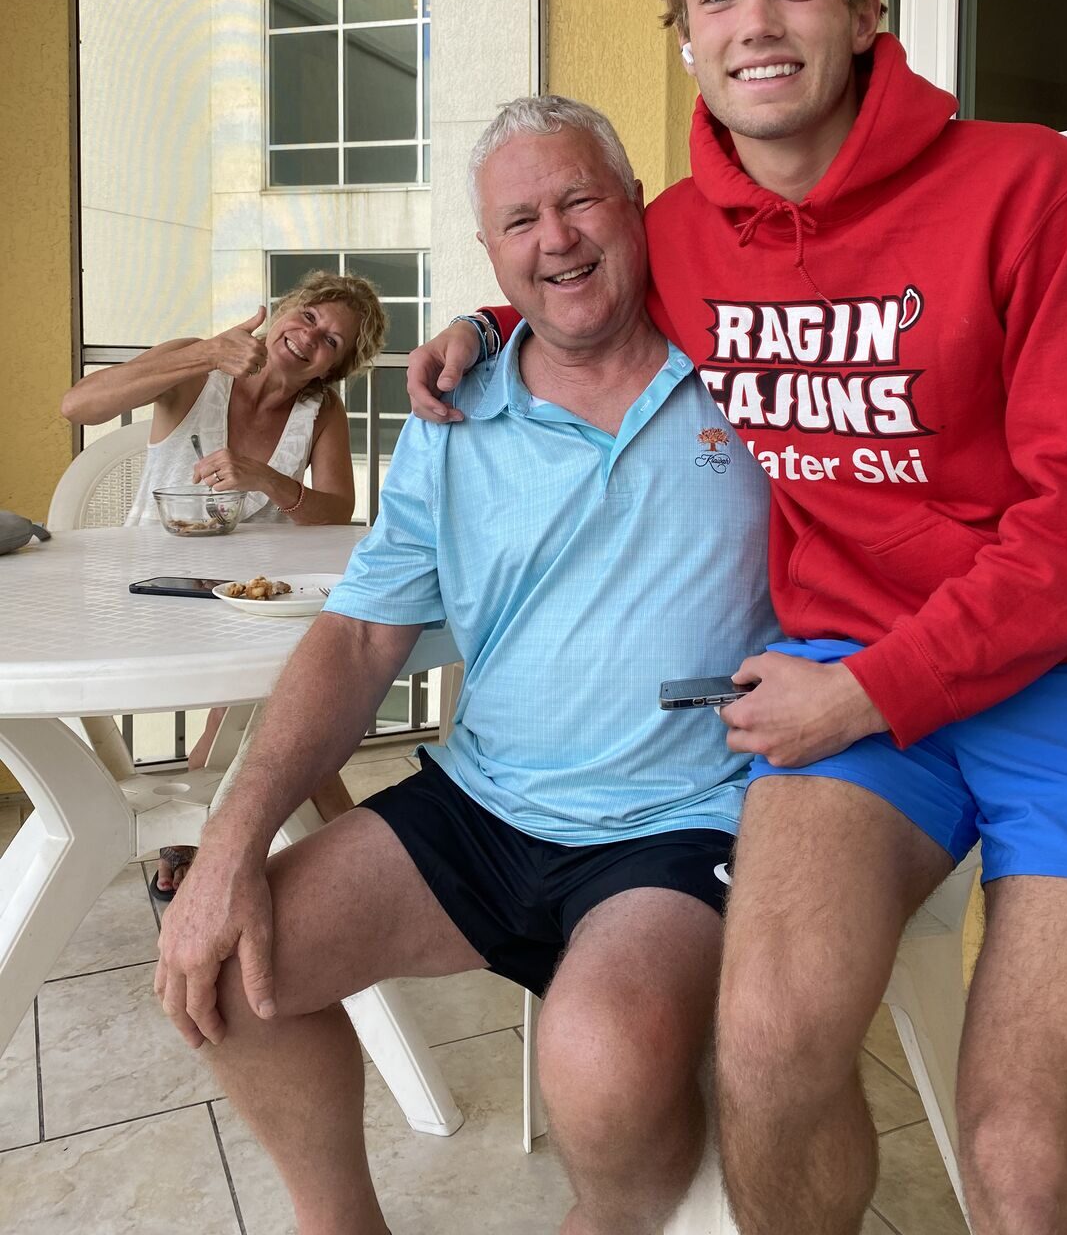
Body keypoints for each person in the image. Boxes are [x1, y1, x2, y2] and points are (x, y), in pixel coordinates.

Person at [409, 0, 1067, 1235]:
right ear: (688, 33)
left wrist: (862, 690)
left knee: (1025, 1152)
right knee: (764, 1051)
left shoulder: (1036, 190)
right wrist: (481, 331)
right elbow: (566, 280)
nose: (757, 21)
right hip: (859, 687)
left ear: (864, 8)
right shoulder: (677, 235)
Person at [152, 98, 781, 1235]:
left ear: (636, 207)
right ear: (489, 253)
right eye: (520, 219)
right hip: (487, 799)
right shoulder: (453, 414)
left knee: (609, 1060)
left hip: (683, 815)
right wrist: (232, 842)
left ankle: (620, 1216)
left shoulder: (746, 368)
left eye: (582, 198)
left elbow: (911, 469)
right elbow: (355, 637)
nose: (559, 238)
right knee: (225, 959)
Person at [62, 270, 387, 897]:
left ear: (331, 369)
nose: (312, 337)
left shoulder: (320, 412)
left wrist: (264, 478)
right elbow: (78, 405)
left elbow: (336, 508)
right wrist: (207, 351)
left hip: (247, 600)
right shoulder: (198, 367)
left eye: (332, 343)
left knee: (286, 693)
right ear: (284, 311)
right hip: (146, 589)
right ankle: (350, 856)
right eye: (312, 317)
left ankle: (198, 842)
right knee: (291, 706)